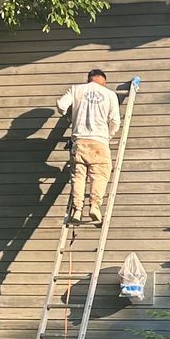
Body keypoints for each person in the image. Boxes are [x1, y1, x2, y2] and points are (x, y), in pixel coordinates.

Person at [55, 68, 120, 225]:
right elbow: (115, 121)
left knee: (78, 176)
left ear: (88, 79)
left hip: (80, 141)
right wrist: (108, 136)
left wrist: (72, 115)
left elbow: (61, 106)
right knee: (100, 175)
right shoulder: (110, 95)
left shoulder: (76, 90)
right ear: (103, 82)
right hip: (99, 142)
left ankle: (77, 209)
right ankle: (95, 206)